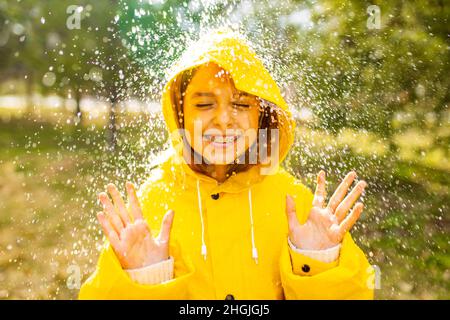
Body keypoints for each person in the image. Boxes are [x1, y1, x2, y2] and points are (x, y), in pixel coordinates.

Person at [79, 29, 374, 299]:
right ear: (181, 113)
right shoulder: (149, 205)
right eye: (204, 104)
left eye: (241, 104)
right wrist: (144, 280)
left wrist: (318, 264)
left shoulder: (294, 203)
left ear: (261, 115)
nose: (222, 120)